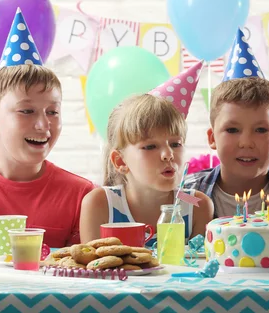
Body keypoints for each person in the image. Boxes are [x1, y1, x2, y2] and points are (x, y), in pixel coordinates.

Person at [0, 8, 94, 248]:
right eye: (26, 111)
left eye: (53, 112)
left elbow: (87, 275)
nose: (43, 125)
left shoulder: (82, 196)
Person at [80, 62, 213, 245]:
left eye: (176, 144)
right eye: (150, 146)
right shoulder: (100, 204)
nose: (168, 154)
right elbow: (94, 268)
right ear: (120, 161)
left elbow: (199, 268)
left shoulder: (197, 204)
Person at [185, 29, 269, 218]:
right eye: (232, 130)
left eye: (261, 129)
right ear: (212, 137)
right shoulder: (186, 195)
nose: (246, 142)